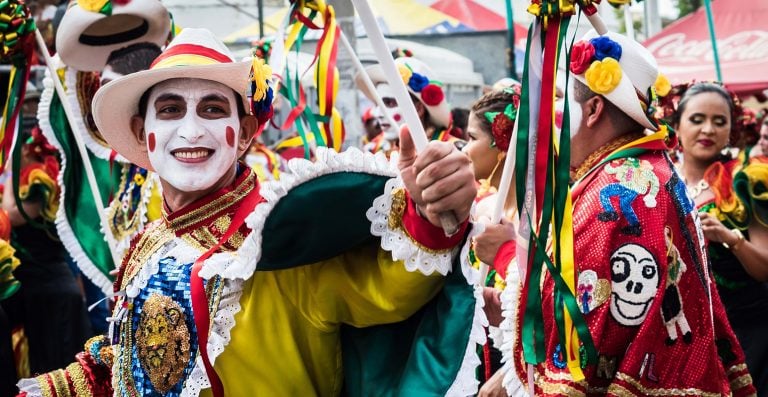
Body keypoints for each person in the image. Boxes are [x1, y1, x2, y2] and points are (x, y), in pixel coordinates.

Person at [18, 28, 483, 396]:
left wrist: (430, 209)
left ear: (243, 133)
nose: (192, 129)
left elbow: (390, 287)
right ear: (144, 133)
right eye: (171, 109)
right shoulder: (149, 242)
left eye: (212, 108)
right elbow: (125, 362)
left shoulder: (283, 237)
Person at [475, 31, 755, 396]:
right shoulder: (642, 170)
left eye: (563, 112)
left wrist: (506, 256)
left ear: (592, 111)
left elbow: (589, 320)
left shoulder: (619, 186)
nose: (555, 127)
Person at [669, 82, 768, 394]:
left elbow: (765, 268)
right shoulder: (657, 180)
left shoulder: (747, 181)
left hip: (747, 335)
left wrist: (730, 238)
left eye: (719, 121)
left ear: (731, 131)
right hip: (680, 333)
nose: (707, 129)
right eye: (697, 119)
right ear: (676, 125)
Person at [463, 86, 522, 397]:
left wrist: (510, 373)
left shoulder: (543, 220)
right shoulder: (482, 210)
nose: (464, 149)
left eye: (472, 138)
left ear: (503, 144)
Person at [354, 57, 460, 147]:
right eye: (377, 104)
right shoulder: (374, 150)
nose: (377, 114)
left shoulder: (453, 152)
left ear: (418, 109)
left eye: (389, 103)